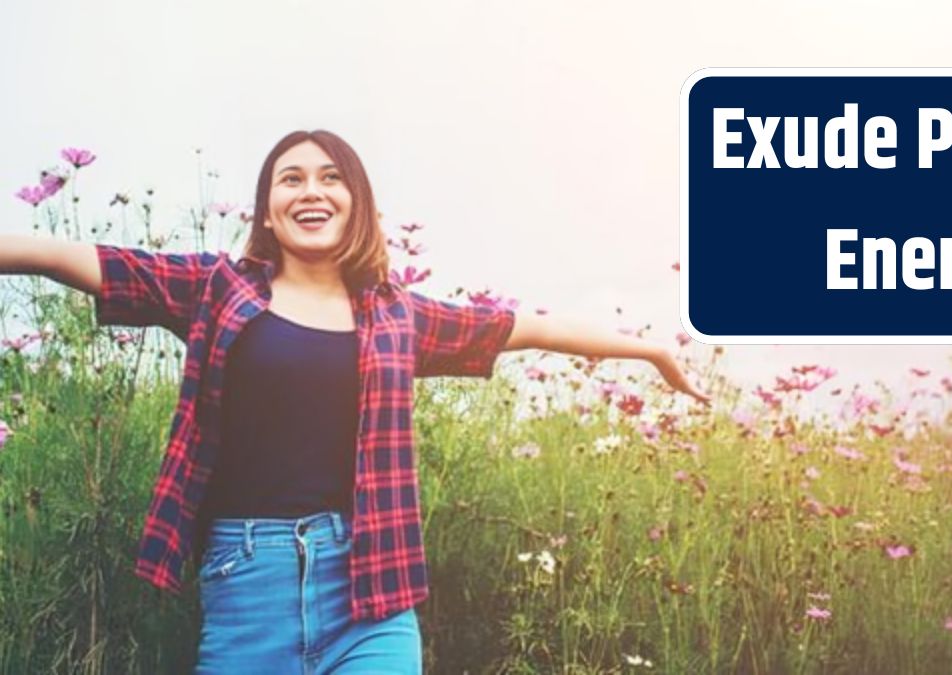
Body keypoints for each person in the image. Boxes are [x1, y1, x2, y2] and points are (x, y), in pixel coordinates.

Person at [0, 129, 709, 674]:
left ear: (357, 203)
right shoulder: (218, 287)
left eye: (331, 177)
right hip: (249, 582)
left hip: (370, 581)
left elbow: (529, 327)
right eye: (292, 178)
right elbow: (72, 260)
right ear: (268, 211)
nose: (312, 190)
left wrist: (648, 349)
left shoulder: (398, 314)